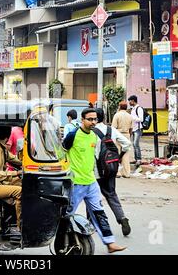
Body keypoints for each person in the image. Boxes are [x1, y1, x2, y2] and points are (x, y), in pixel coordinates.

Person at [63, 108, 127, 253]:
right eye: (90, 119)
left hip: (91, 182)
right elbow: (62, 151)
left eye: (95, 119)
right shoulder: (73, 135)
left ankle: (110, 243)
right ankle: (64, 242)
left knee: (99, 213)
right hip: (76, 183)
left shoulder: (94, 136)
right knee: (67, 215)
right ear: (82, 120)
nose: (93, 122)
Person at [94, 108, 132, 236]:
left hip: (95, 170)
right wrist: (119, 157)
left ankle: (91, 223)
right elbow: (127, 144)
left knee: (92, 196)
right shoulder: (111, 130)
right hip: (111, 167)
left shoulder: (91, 132)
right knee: (111, 194)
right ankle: (122, 218)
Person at [112, 101, 134, 178]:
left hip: (118, 135)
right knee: (126, 155)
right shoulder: (130, 116)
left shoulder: (117, 115)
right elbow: (131, 129)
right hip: (127, 135)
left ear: (119, 107)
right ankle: (126, 173)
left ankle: (117, 172)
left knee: (116, 153)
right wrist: (129, 136)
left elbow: (113, 128)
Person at [128, 95, 144, 166]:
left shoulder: (139, 108)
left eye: (130, 101)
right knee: (134, 145)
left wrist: (132, 117)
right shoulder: (133, 109)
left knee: (136, 144)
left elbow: (141, 119)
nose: (129, 102)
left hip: (138, 129)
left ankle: (139, 159)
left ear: (133, 101)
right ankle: (136, 159)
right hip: (133, 129)